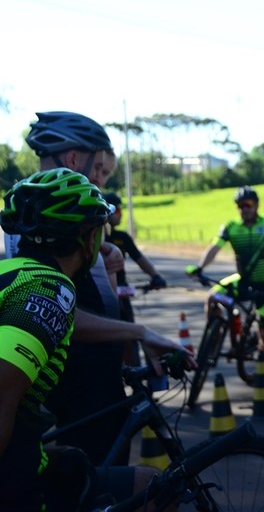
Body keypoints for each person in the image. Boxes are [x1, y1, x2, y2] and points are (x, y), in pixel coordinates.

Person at [4, 111, 191, 467]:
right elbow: (53, 309)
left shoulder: (52, 215)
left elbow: (96, 300)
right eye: (101, 170)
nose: (102, 181)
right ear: (75, 159)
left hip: (96, 379)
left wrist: (105, 256)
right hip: (81, 388)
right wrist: (137, 332)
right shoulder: (36, 218)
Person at [0, 169, 172, 511]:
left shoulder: (15, 273)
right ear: (87, 238)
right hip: (15, 487)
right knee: (158, 490)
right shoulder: (50, 290)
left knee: (134, 479)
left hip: (20, 458)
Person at [187, 186, 264, 359]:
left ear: (256, 205)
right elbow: (215, 248)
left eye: (248, 204)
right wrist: (200, 267)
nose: (244, 209)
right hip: (243, 280)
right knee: (212, 297)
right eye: (240, 205)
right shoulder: (231, 227)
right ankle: (214, 340)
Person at [103, 192, 168, 364]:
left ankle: (134, 372)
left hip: (122, 293)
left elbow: (139, 258)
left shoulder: (122, 237)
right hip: (102, 295)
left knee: (130, 339)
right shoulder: (96, 238)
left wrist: (155, 276)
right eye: (117, 210)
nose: (121, 214)